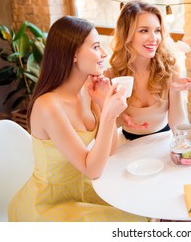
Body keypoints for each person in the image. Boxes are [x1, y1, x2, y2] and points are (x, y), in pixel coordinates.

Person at [8, 16, 147, 222]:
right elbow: (92, 170)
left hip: (80, 189)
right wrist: (109, 114)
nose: (104, 53)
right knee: (133, 222)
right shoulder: (48, 106)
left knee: (141, 209)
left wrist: (102, 105)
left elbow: (108, 151)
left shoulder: (87, 90)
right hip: (48, 204)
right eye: (96, 46)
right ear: (74, 53)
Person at [105, 0, 191, 140]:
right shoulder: (112, 76)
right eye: (144, 31)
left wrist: (174, 91)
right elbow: (106, 129)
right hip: (127, 146)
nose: (154, 38)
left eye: (157, 31)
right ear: (126, 34)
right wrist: (119, 117)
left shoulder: (170, 70)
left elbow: (179, 127)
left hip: (162, 142)